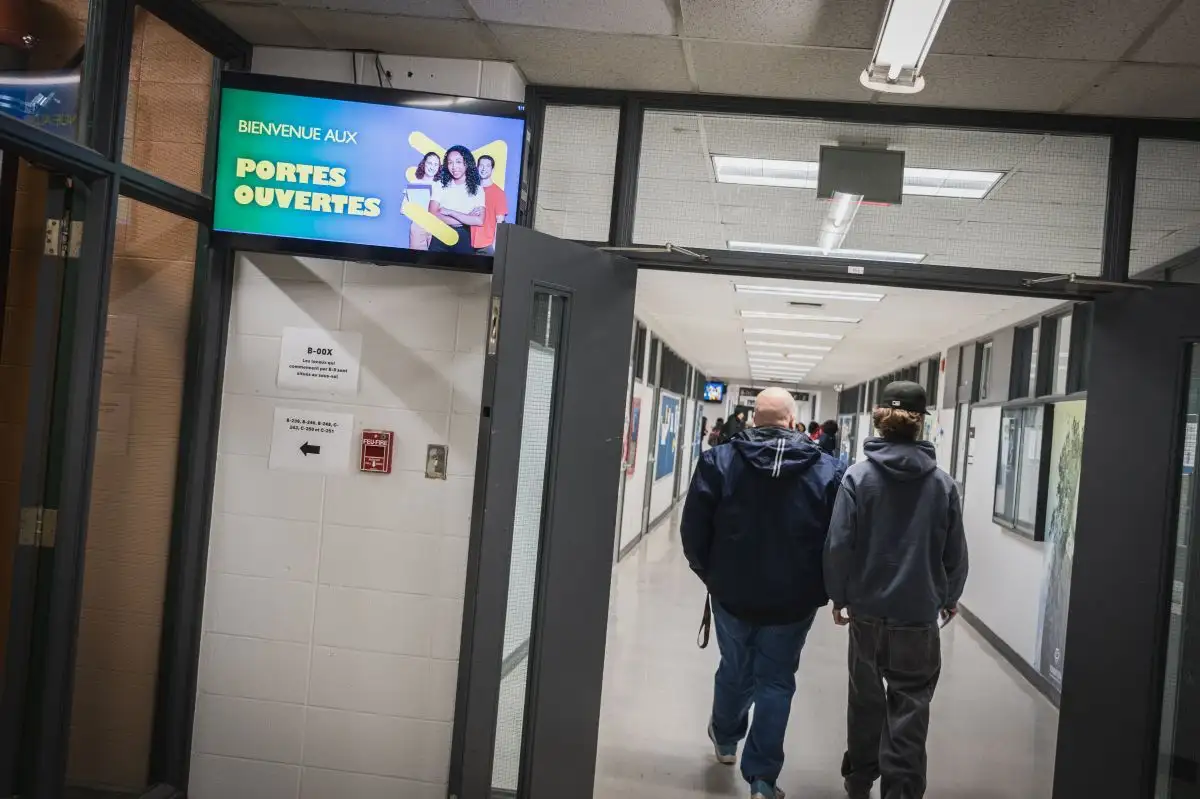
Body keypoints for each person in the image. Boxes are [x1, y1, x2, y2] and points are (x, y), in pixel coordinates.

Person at [682, 388, 844, 799]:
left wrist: (711, 576)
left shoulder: (719, 461)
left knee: (735, 668)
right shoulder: (827, 470)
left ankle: (724, 737)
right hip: (793, 600)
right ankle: (763, 779)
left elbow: (694, 531)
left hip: (732, 594)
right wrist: (825, 588)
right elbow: (836, 541)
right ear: (793, 422)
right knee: (775, 681)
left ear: (753, 420)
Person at [823, 381, 969, 799]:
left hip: (867, 613)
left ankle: (859, 779)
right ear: (921, 424)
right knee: (909, 711)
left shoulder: (857, 477)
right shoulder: (942, 485)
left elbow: (838, 545)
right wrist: (949, 595)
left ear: (880, 420)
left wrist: (839, 596)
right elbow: (954, 552)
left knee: (866, 701)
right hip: (918, 618)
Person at [428, 145, 484, 254]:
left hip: (464, 237)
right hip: (440, 235)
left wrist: (450, 212)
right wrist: (466, 218)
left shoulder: (478, 190)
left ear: (467, 163)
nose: (454, 167)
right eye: (450, 162)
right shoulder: (439, 185)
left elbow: (479, 220)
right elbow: (432, 214)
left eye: (458, 162)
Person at [471, 154, 509, 254]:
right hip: (469, 244)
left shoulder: (498, 193)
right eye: (481, 165)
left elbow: (500, 221)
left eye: (487, 166)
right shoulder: (472, 190)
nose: (484, 169)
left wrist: (494, 245)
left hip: (486, 247)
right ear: (477, 167)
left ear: (492, 169)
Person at [407, 151, 441, 250]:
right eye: (430, 163)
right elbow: (404, 209)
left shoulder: (442, 186)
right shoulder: (414, 184)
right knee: (416, 259)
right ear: (424, 164)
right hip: (418, 225)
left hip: (437, 226)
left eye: (436, 164)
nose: (432, 167)